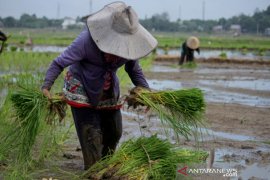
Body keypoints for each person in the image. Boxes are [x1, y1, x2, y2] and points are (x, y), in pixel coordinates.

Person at [41, 1, 157, 170]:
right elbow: (59, 63)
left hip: (108, 88)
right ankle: (93, 168)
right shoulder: (86, 41)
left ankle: (104, 166)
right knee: (92, 135)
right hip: (81, 85)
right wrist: (46, 87)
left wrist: (145, 91)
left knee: (114, 131)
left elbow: (133, 69)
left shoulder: (129, 47)